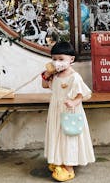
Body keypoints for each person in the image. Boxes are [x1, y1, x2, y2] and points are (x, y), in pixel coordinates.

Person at [41, 41, 95, 182]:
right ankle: (58, 160)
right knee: (56, 135)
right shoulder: (55, 75)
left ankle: (69, 168)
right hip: (56, 111)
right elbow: (45, 85)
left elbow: (82, 94)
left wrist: (73, 102)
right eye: (54, 59)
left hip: (70, 112)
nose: (57, 62)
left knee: (69, 137)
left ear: (71, 59)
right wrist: (48, 72)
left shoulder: (74, 77)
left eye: (61, 59)